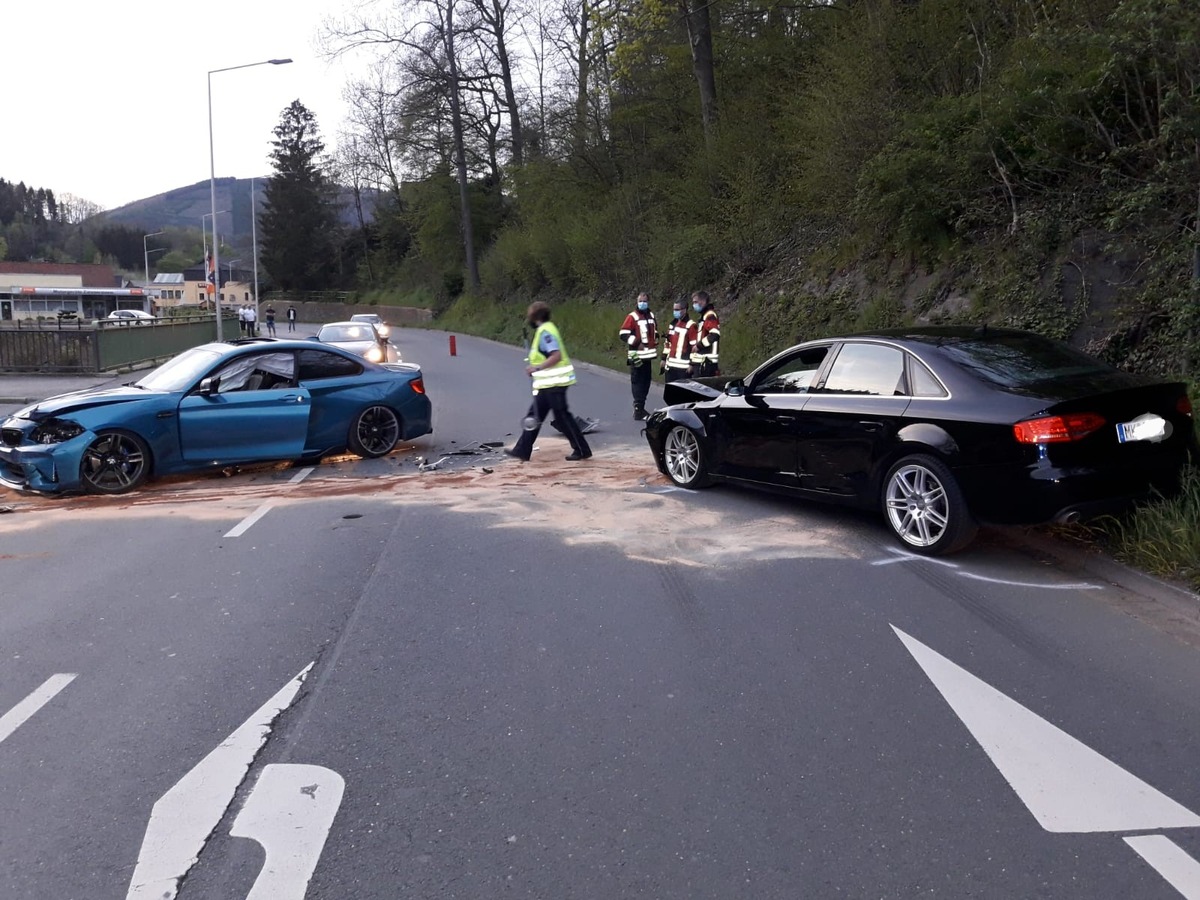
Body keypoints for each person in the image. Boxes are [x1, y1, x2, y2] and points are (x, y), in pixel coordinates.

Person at [506, 301, 592, 462]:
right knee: (534, 416)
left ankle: (582, 449)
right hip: (547, 384)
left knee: (562, 418)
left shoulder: (546, 332)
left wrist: (536, 368)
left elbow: (556, 355)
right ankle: (522, 450)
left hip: (555, 383)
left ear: (535, 316)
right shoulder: (544, 330)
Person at [619, 291, 658, 420]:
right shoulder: (632, 316)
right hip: (636, 356)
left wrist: (655, 339)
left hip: (648, 356)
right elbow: (623, 334)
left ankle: (641, 408)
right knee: (638, 382)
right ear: (637, 302)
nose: (642, 303)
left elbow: (654, 331)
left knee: (646, 382)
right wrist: (636, 343)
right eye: (640, 301)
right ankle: (638, 409)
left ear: (648, 302)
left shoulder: (651, 315)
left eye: (645, 301)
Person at [661, 297, 697, 385]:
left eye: (677, 309)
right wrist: (663, 358)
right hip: (670, 367)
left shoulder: (691, 325)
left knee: (681, 395)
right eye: (674, 309)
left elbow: (694, 347)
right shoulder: (672, 325)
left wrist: (692, 364)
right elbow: (667, 344)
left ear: (684, 310)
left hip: (683, 369)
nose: (675, 312)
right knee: (670, 394)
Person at [689, 290, 721, 377]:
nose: (694, 305)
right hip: (701, 362)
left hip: (707, 363)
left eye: (695, 302)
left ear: (703, 301)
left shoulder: (709, 316)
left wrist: (699, 345)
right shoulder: (703, 317)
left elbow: (714, 335)